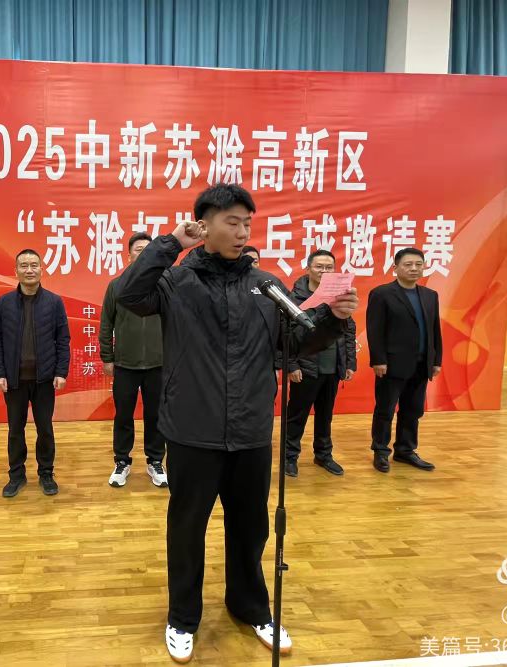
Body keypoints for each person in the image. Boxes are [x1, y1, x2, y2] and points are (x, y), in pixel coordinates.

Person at [115, 184, 358, 663]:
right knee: (187, 529)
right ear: (204, 225)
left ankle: (250, 607)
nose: (243, 231)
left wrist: (333, 320)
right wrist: (170, 244)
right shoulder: (176, 281)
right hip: (192, 431)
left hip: (250, 432)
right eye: (232, 222)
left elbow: (294, 342)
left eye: (247, 223)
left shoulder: (265, 286)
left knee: (250, 528)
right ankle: (183, 616)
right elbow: (129, 295)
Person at [0, 249, 70, 498]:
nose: (29, 270)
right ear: (15, 271)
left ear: (41, 269)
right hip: (14, 380)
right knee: (15, 429)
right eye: (23, 265)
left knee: (45, 428)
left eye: (34, 265)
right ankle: (16, 475)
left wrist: (61, 371)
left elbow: (63, 339)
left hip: (44, 379)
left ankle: (46, 474)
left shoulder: (54, 302)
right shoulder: (4, 303)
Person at [99, 232, 167, 488]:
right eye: (139, 250)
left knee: (156, 416)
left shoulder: (164, 285)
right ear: (129, 255)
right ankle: (122, 461)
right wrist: (108, 357)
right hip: (125, 364)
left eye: (148, 250)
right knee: (123, 415)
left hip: (158, 365)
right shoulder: (117, 286)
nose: (143, 254)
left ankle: (155, 461)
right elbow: (106, 323)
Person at [366, 247, 442, 473]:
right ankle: (381, 451)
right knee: (385, 410)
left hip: (421, 363)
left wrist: (436, 359)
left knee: (413, 410)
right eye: (408, 264)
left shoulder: (430, 295)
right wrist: (378, 360)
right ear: (396, 268)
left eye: (418, 264)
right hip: (391, 364)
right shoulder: (382, 294)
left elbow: (435, 330)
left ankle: (405, 450)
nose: (414, 268)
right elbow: (375, 329)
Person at [283, 250, 357, 477]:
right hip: (306, 368)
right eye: (319, 267)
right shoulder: (295, 297)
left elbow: (348, 330)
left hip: (332, 368)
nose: (324, 271)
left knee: (325, 416)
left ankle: (323, 455)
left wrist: (349, 362)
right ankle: (289, 457)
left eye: (329, 267)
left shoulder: (339, 295)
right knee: (297, 416)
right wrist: (292, 365)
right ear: (308, 269)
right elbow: (286, 334)